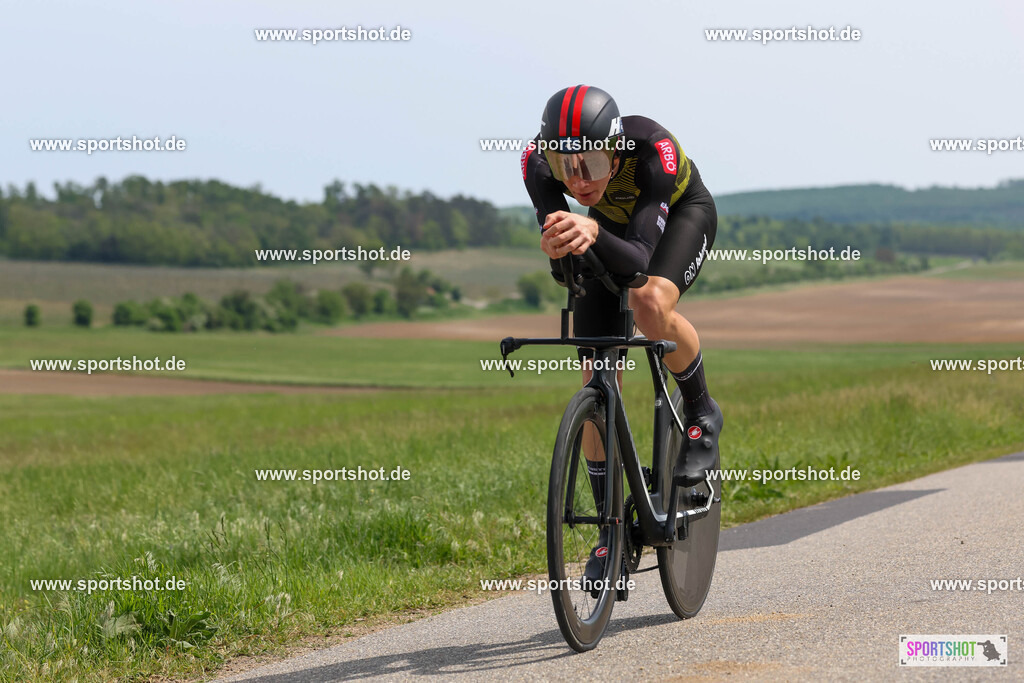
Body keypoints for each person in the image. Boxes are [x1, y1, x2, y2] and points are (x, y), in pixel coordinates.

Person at [521, 85, 723, 589]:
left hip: (678, 215)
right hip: (610, 227)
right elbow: (564, 272)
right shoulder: (537, 165)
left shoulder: (653, 151)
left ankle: (701, 411)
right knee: (596, 367)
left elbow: (637, 260)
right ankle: (609, 533)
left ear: (614, 152)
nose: (578, 180)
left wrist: (590, 233)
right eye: (566, 166)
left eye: (591, 163)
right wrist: (558, 249)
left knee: (649, 301)